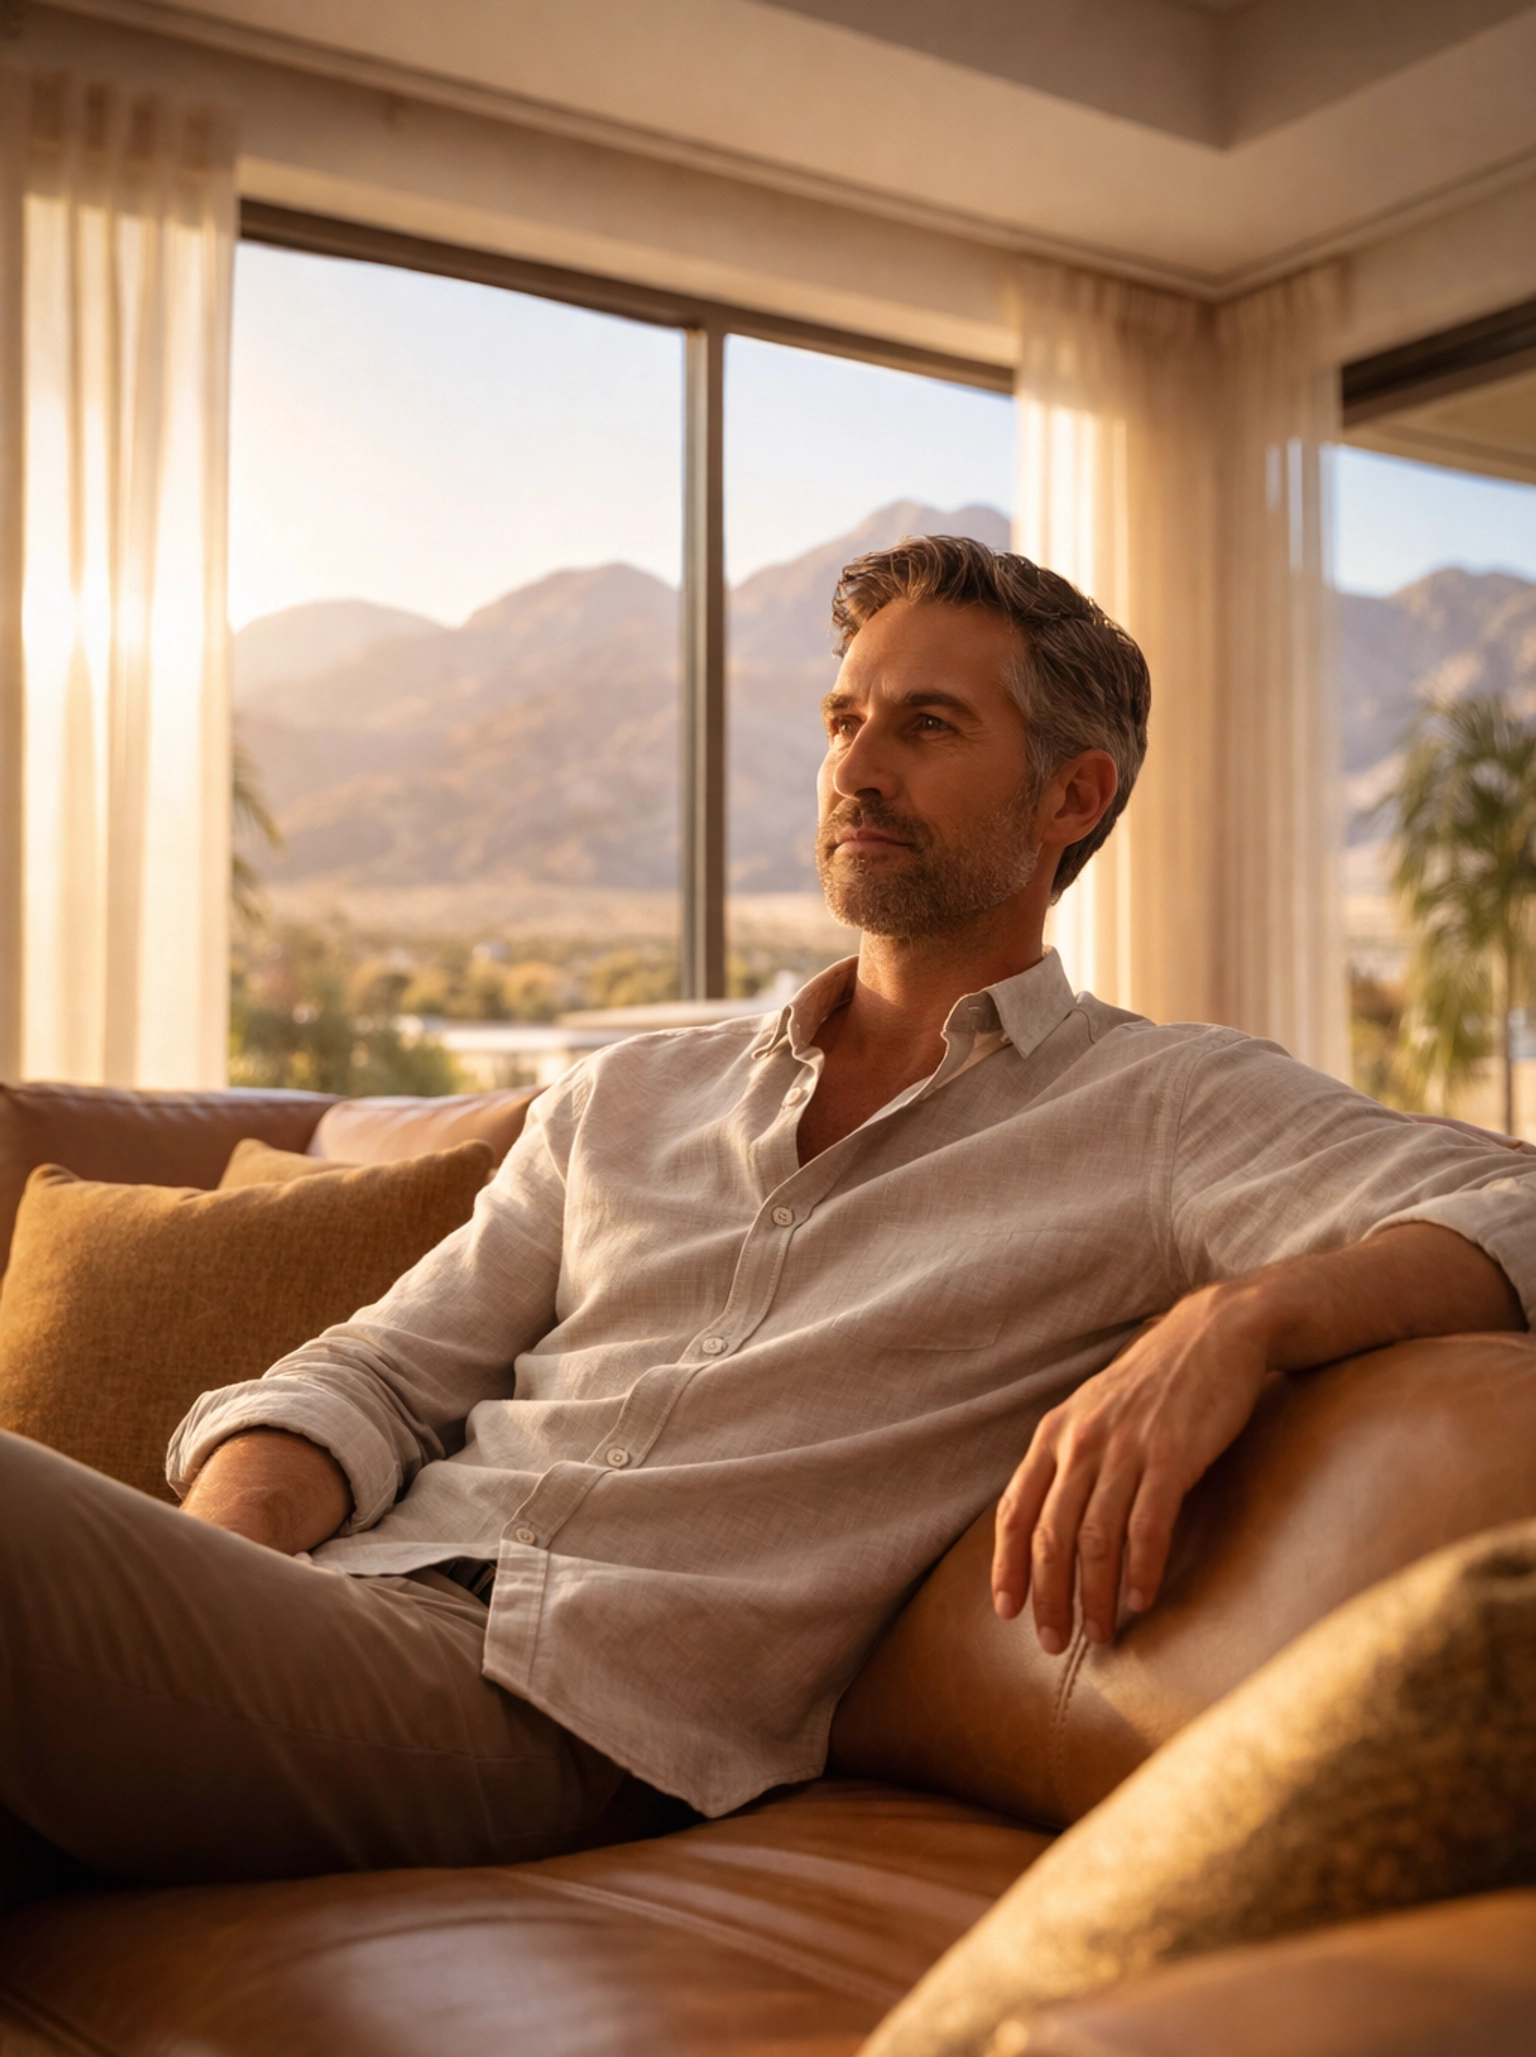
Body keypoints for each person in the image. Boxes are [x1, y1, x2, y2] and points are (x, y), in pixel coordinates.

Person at [1, 535, 1531, 1911]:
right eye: (845, 720)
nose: (857, 767)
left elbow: (1513, 1204)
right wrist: (226, 1580)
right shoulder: (628, 1098)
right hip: (329, 1623)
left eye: (929, 727)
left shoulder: (1165, 1112)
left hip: (549, 1717)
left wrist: (1244, 1319)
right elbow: (383, 1373)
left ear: (1074, 797)